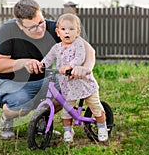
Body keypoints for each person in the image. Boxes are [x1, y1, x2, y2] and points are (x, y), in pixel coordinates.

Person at [0, 0, 96, 139]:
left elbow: (89, 49)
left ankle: (42, 122)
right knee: (21, 104)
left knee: (69, 88)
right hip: (10, 83)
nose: (40, 29)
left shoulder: (55, 29)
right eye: (33, 27)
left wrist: (87, 68)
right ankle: (7, 119)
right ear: (20, 25)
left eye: (41, 22)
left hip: (43, 81)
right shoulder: (8, 30)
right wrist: (23, 63)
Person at [40, 13, 108, 142]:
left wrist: (69, 66)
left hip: (84, 84)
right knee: (67, 110)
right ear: (58, 32)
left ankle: (102, 126)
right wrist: (41, 65)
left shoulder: (78, 44)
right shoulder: (56, 48)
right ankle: (68, 131)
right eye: (64, 29)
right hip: (69, 87)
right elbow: (48, 59)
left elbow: (80, 57)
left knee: (95, 106)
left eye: (71, 29)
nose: (67, 32)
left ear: (78, 32)